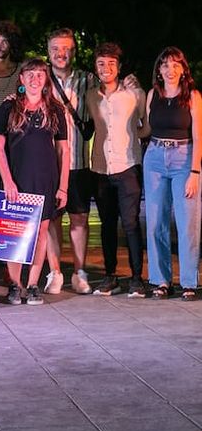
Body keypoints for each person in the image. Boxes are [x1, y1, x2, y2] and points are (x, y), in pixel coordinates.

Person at [0, 58, 70, 305]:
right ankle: (15, 285)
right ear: (22, 79)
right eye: (31, 74)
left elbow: (64, 151)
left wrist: (63, 187)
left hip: (46, 180)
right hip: (16, 179)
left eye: (40, 75)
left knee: (41, 233)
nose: (36, 79)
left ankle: (33, 284)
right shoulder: (8, 108)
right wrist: (7, 180)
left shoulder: (56, 109)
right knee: (14, 232)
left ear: (46, 80)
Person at [86, 43, 148, 297]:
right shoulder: (90, 95)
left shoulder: (135, 93)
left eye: (111, 63)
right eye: (101, 63)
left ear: (119, 67)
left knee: (131, 223)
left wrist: (132, 138)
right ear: (95, 67)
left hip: (128, 167)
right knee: (107, 224)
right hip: (100, 168)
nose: (106, 68)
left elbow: (147, 127)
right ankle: (110, 276)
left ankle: (136, 278)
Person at [143, 47, 202, 301]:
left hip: (184, 158)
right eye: (165, 64)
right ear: (159, 69)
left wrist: (195, 172)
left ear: (183, 70)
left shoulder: (193, 96)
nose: (170, 70)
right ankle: (161, 280)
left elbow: (199, 138)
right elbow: (145, 130)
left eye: (176, 65)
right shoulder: (152, 95)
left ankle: (188, 282)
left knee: (187, 221)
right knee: (155, 222)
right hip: (155, 157)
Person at [43, 28, 96, 295]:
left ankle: (79, 272)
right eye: (55, 48)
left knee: (79, 219)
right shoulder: (40, 80)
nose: (61, 53)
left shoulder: (88, 80)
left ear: (73, 51)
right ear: (48, 50)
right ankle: (55, 272)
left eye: (66, 49)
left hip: (78, 163)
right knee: (51, 220)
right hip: (48, 165)